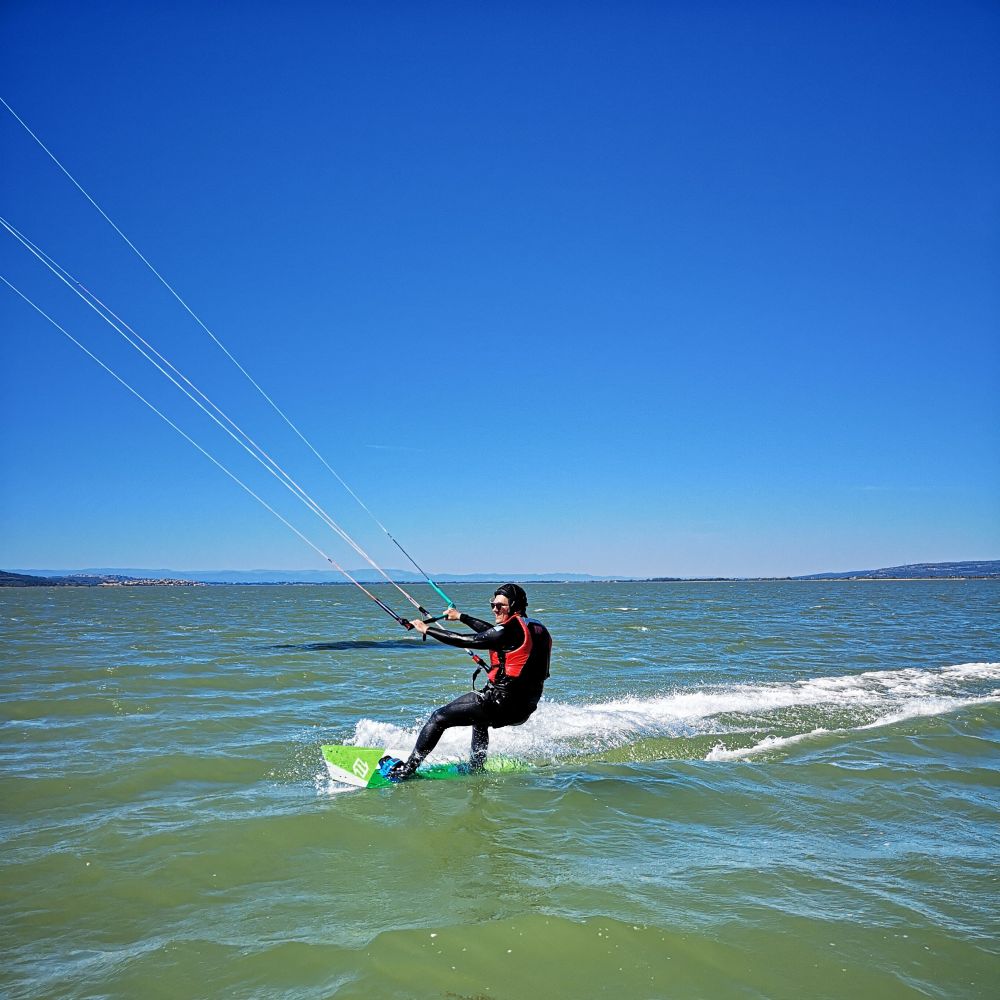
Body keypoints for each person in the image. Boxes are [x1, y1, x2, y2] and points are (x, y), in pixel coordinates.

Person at [382, 583, 552, 781]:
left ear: (515, 606)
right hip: (524, 708)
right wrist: (461, 617)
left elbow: (468, 640)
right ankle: (477, 767)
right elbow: (491, 631)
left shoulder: (507, 632)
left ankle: (406, 771)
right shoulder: (535, 627)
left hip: (500, 702)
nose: (495, 609)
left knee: (438, 718)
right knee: (479, 720)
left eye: (500, 605)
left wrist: (427, 629)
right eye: (492, 604)